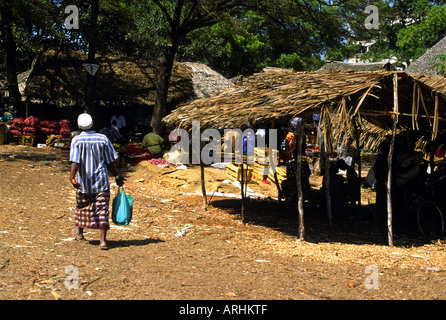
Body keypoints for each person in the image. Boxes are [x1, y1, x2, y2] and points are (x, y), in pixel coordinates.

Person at [70, 113, 125, 250]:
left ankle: (80, 232)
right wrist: (117, 176)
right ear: (92, 124)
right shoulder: (103, 139)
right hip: (101, 182)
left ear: (78, 125)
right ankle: (103, 241)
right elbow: (110, 162)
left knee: (82, 206)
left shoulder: (76, 140)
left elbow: (75, 162)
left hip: (84, 182)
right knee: (102, 210)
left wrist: (72, 177)